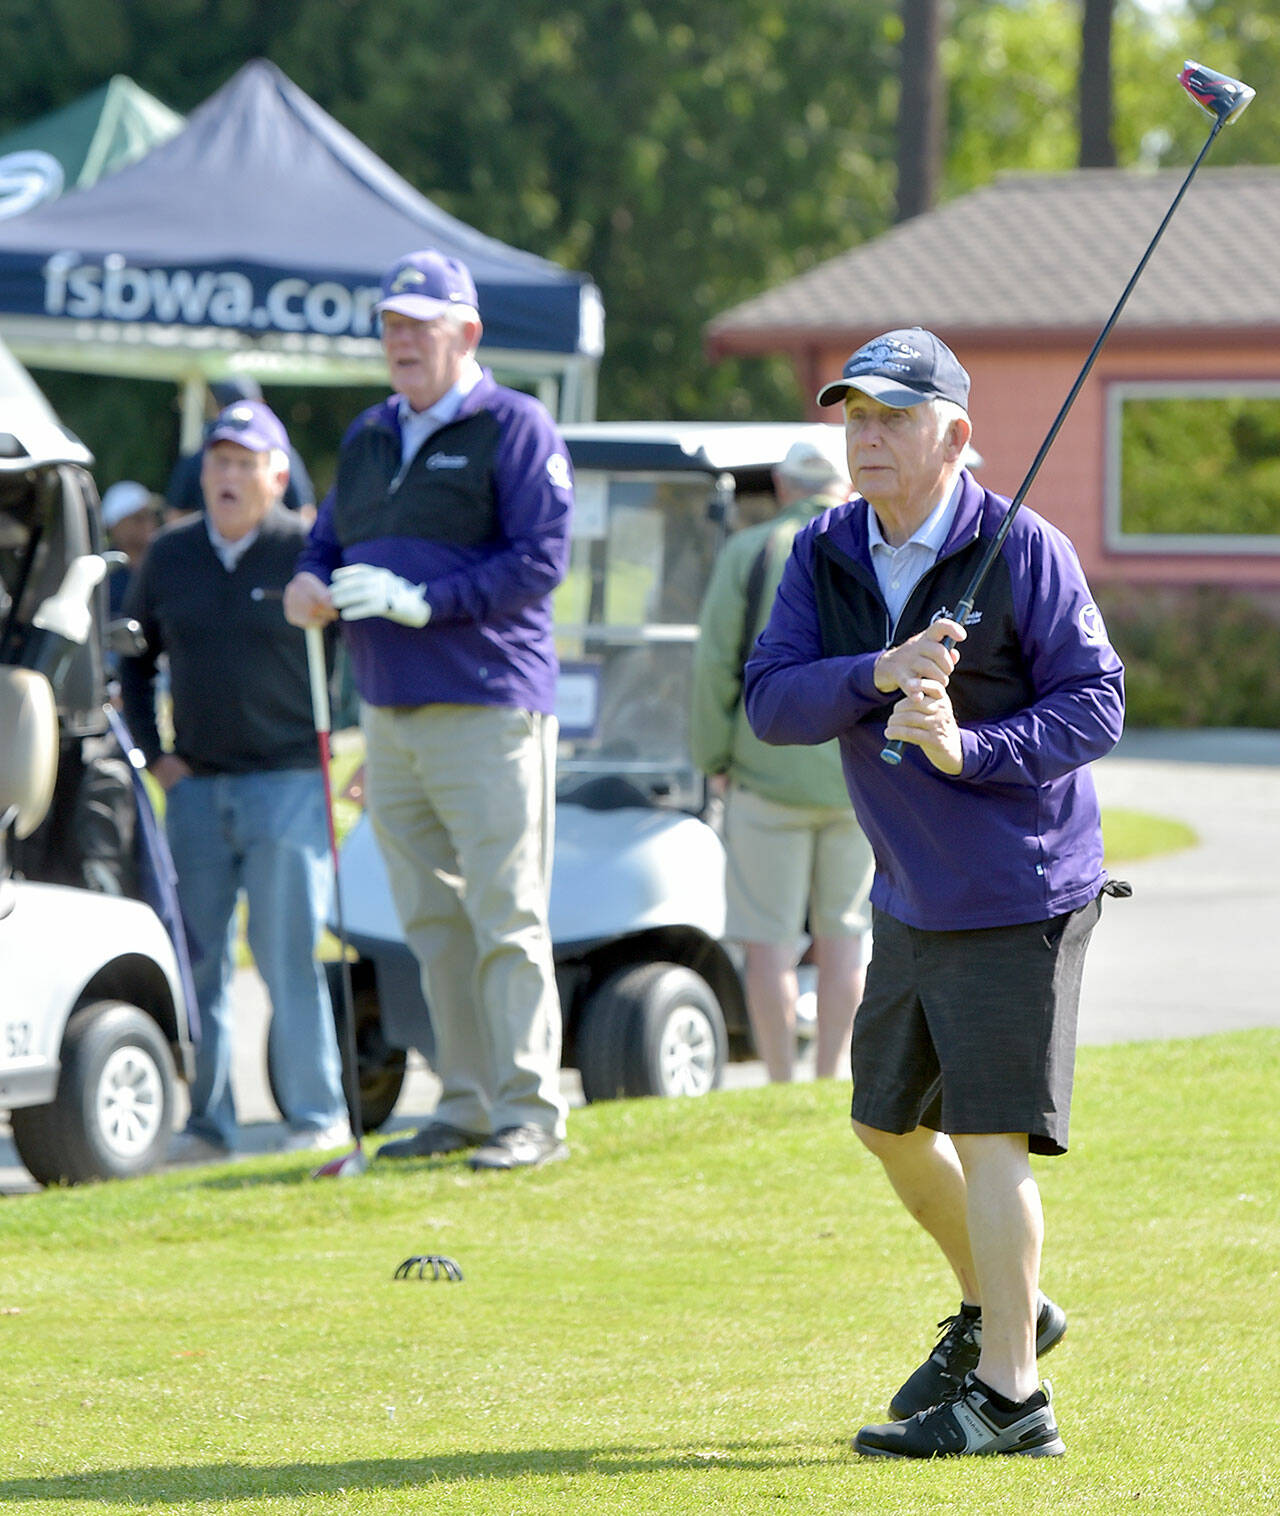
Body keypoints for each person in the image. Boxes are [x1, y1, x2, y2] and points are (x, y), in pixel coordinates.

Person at [743, 328, 1125, 1458]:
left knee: (986, 1134)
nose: (865, 434)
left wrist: (972, 746)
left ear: (955, 434)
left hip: (1019, 888)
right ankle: (1008, 1309)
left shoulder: (1026, 549)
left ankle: (1010, 1397)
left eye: (891, 416)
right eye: (852, 414)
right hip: (909, 890)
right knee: (882, 1122)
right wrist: (876, 670)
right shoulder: (821, 550)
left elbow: (1094, 704)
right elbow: (768, 699)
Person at [284, 248, 573, 1173]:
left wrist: (424, 601)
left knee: (505, 914)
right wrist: (306, 583)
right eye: (390, 325)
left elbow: (541, 560)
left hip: (489, 707)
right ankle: (464, 1102)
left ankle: (529, 1112)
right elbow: (325, 540)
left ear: (467, 333)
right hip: (390, 715)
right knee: (429, 924)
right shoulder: (370, 434)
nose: (401, 341)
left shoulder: (515, 426)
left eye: (420, 324)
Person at [121, 398, 350, 1162]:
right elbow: (133, 657)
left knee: (288, 957)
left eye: (245, 464)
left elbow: (354, 651)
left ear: (276, 475)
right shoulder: (172, 554)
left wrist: (344, 736)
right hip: (196, 786)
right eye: (219, 462)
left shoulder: (307, 548)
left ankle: (315, 1117)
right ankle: (210, 1123)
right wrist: (157, 758)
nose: (228, 476)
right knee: (200, 963)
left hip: (287, 783)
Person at [690, 440, 873, 1082]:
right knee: (845, 934)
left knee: (767, 940)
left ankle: (778, 1078)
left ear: (780, 484)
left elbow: (715, 664)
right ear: (846, 487)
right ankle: (832, 1073)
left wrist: (712, 755)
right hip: (858, 776)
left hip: (764, 768)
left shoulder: (749, 550)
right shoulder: (871, 549)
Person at [165, 375, 316, 521]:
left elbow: (175, 514)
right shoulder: (201, 454)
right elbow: (305, 512)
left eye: (246, 464)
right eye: (223, 462)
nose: (231, 474)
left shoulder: (279, 453)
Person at [99, 480, 163, 622]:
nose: (149, 523)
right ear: (115, 526)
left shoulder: (165, 565)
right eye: (138, 518)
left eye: (151, 515)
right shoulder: (103, 575)